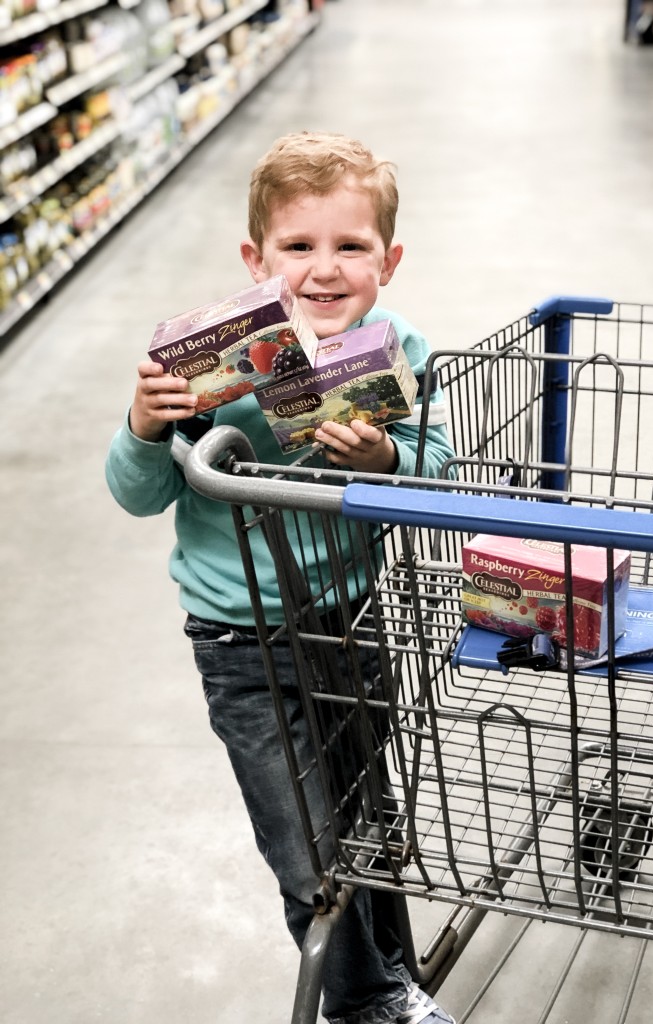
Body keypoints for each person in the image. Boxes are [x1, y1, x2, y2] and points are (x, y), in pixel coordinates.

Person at [106, 131, 456, 1024]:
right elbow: (138, 496)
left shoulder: (397, 345)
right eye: (299, 248)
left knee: (368, 822)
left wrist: (384, 457)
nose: (325, 271)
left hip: (355, 622)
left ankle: (389, 973)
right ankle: (368, 1004)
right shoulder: (211, 369)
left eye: (351, 247)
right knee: (309, 849)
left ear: (391, 260)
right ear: (256, 259)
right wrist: (146, 427)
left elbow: (439, 471)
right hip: (241, 643)